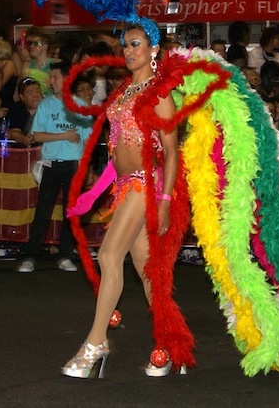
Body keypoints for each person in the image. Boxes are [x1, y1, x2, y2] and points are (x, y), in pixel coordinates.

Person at [59, 21, 187, 378]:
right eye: (125, 46)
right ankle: (167, 343)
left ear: (154, 48)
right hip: (126, 184)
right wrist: (93, 194)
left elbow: (172, 152)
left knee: (109, 254)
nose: (128, 51)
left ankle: (96, 343)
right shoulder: (125, 93)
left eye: (135, 44)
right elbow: (118, 157)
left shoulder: (160, 93)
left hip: (148, 184)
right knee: (147, 269)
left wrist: (164, 202)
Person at [17, 60, 92, 275]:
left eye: (55, 78)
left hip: (73, 165)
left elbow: (87, 140)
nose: (51, 82)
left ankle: (65, 256)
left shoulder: (81, 106)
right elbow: (36, 135)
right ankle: (31, 256)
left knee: (71, 213)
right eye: (51, 78)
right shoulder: (46, 105)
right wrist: (64, 135)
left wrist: (86, 168)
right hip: (51, 164)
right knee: (43, 212)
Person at [6, 77, 43, 147]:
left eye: (38, 91)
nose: (35, 95)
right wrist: (24, 139)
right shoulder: (16, 109)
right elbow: (14, 132)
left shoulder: (48, 109)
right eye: (30, 92)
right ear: (22, 96)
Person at [21, 27, 55, 94]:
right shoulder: (27, 64)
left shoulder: (56, 63)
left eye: (36, 44)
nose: (31, 46)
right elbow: (22, 86)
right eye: (31, 43)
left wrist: (51, 84)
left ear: (45, 46)